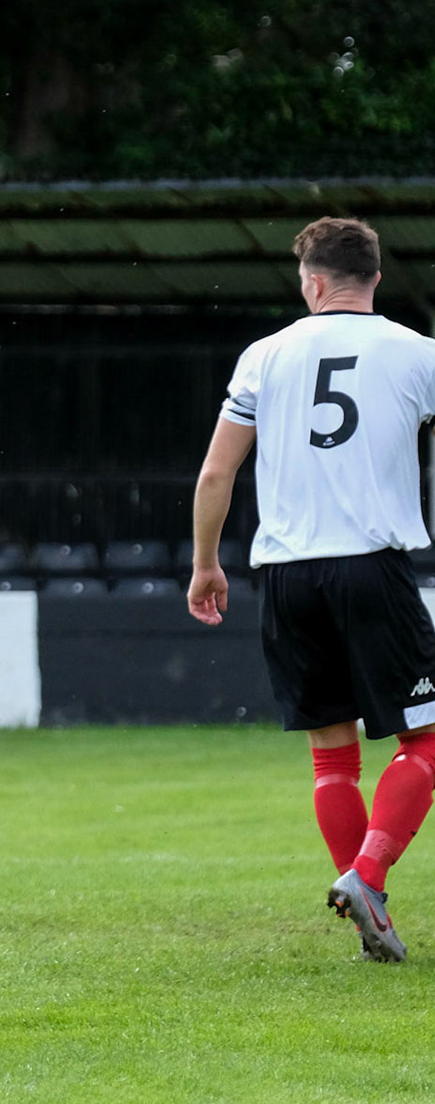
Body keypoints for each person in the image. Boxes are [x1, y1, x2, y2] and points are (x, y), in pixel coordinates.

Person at [189, 217, 435, 964]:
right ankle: (366, 874)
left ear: (313, 283)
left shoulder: (265, 356)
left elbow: (216, 473)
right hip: (372, 565)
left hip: (287, 576)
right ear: (376, 282)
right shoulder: (416, 352)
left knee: (333, 759)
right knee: (425, 740)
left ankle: (372, 917)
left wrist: (205, 564)